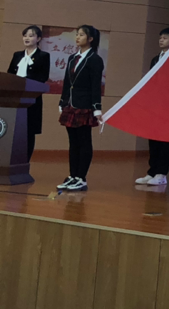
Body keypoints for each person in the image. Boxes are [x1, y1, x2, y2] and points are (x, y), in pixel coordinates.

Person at [57, 25, 104, 192]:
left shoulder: (95, 59)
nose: (77, 37)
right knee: (73, 142)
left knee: (84, 141)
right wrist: (62, 102)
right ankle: (73, 175)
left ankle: (81, 178)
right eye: (77, 34)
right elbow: (67, 82)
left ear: (90, 39)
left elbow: (96, 86)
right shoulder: (72, 58)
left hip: (85, 106)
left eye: (82, 35)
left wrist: (97, 108)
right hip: (70, 104)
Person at [135, 27, 169, 186]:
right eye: (160, 37)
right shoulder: (155, 59)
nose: (161, 40)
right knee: (153, 138)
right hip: (154, 105)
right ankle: (152, 171)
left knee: (165, 140)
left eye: (165, 38)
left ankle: (162, 173)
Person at [7, 25, 51, 161]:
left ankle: (25, 161)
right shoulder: (17, 55)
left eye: (31, 36)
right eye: (25, 35)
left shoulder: (43, 56)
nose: (27, 38)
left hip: (31, 99)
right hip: (14, 99)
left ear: (38, 39)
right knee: (12, 130)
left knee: (28, 131)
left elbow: (42, 77)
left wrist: (24, 83)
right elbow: (10, 74)